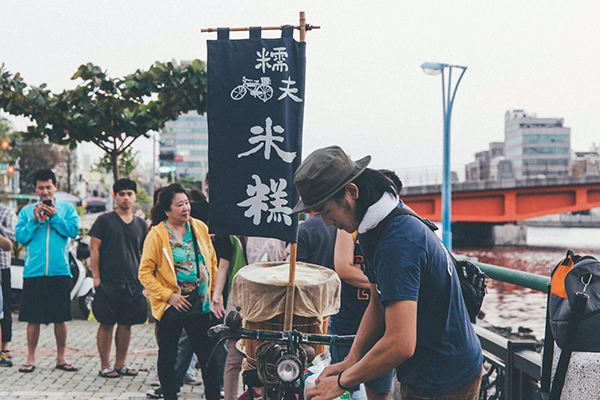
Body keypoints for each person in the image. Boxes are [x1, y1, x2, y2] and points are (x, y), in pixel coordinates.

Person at [294, 146, 483, 400]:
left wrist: (342, 382)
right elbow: (376, 301)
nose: (327, 222)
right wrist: (351, 359)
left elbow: (400, 343)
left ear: (351, 192)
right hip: (425, 369)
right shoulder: (375, 226)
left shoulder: (397, 240)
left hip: (446, 378)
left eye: (326, 211)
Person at [139, 184, 220, 400]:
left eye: (187, 203)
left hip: (200, 304)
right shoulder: (157, 235)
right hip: (172, 306)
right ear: (167, 210)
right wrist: (170, 296)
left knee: (208, 357)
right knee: (168, 355)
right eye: (179, 205)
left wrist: (213, 296)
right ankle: (168, 395)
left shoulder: (199, 227)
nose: (186, 208)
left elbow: (211, 261)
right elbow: (145, 273)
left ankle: (213, 395)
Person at [15, 169, 80, 373]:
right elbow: (21, 238)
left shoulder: (67, 209)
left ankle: (61, 358)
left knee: (60, 317)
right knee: (32, 318)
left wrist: (54, 217)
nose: (45, 191)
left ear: (55, 187)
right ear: (35, 188)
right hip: (33, 271)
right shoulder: (26, 212)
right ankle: (30, 358)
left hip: (59, 271)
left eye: (48, 187)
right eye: (41, 187)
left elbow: (72, 231)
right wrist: (34, 221)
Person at [89, 178, 149, 378]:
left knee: (126, 324)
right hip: (108, 281)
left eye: (129, 194)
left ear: (135, 197)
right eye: (121, 194)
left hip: (132, 282)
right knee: (106, 323)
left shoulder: (141, 224)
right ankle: (104, 365)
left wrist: (146, 282)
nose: (126, 197)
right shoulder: (104, 221)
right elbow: (94, 249)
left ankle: (120, 364)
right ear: (115, 197)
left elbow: (146, 254)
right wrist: (96, 277)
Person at [0, 203, 17, 367]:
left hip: (2, 267)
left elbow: (9, 243)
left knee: (4, 306)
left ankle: (4, 345)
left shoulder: (6, 212)